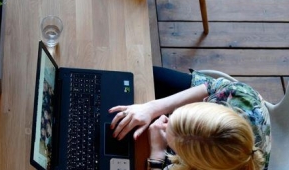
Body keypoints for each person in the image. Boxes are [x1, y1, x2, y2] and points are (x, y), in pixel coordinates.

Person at [109, 68, 270, 170]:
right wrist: (151, 108)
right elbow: (210, 87)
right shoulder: (242, 96)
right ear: (208, 106)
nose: (164, 122)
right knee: (140, 74)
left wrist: (157, 155)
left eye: (172, 145)